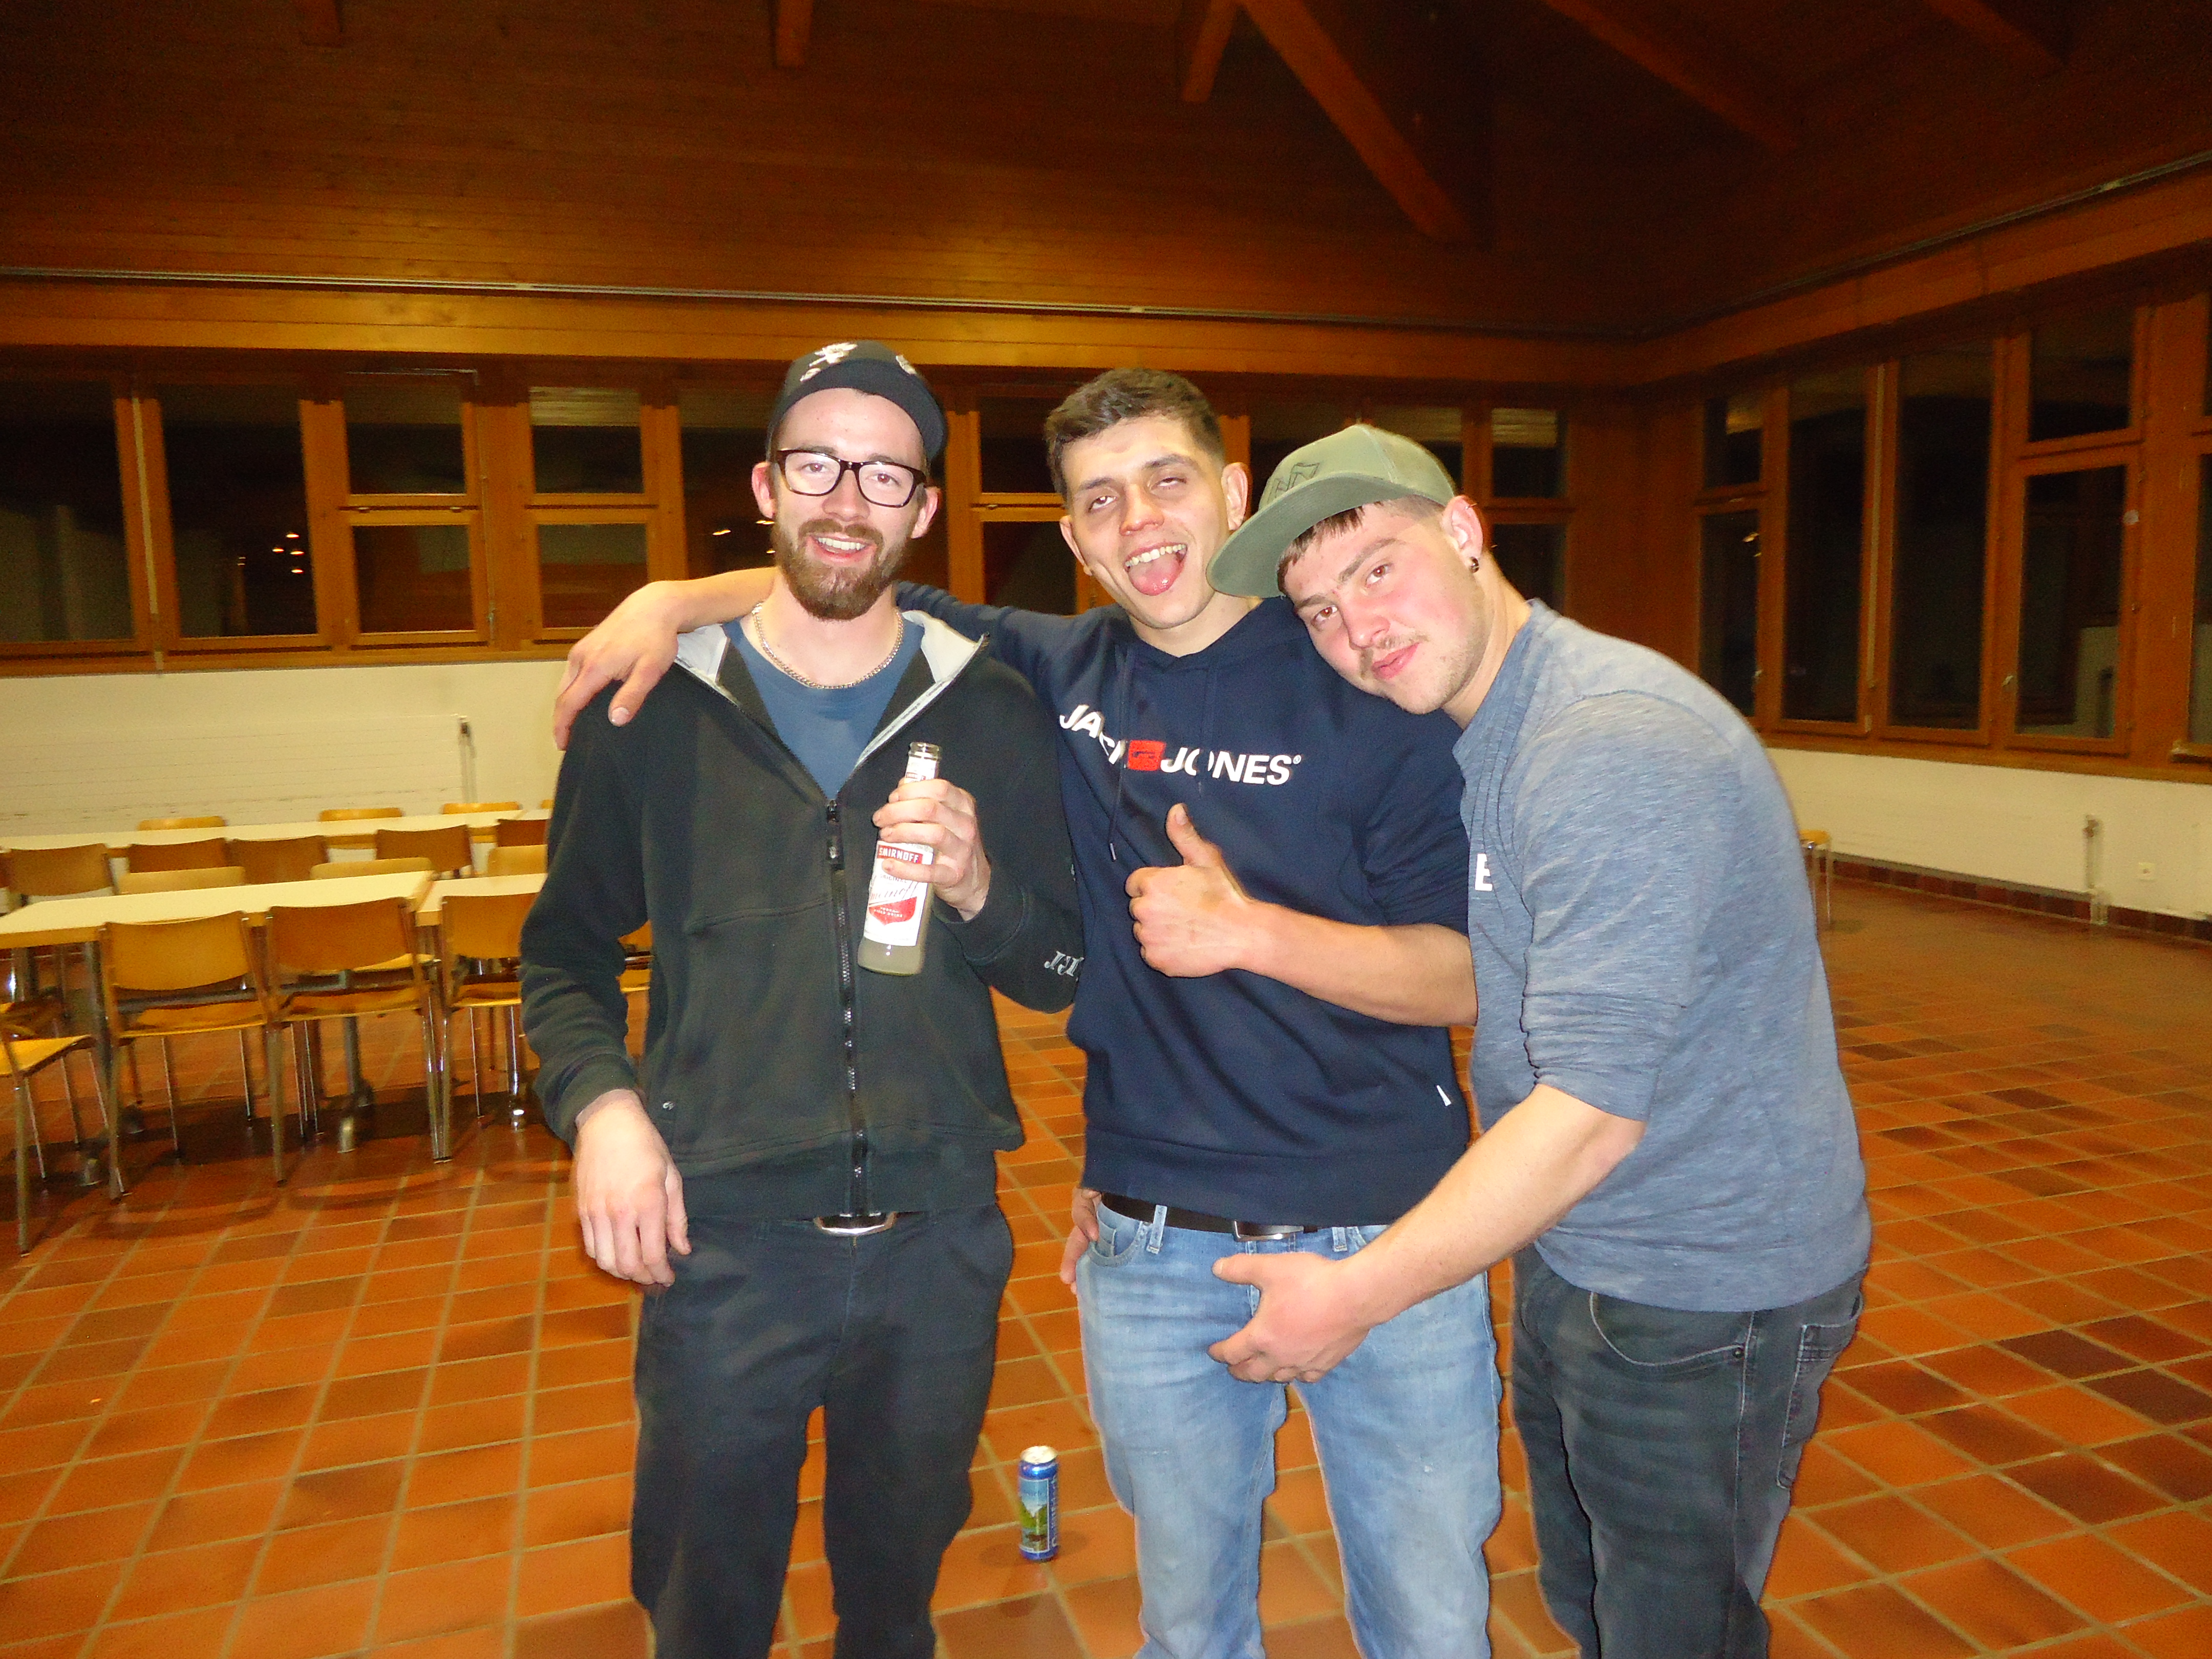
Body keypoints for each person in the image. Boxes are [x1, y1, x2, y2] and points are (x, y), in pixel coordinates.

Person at [554, 370, 1503, 1659]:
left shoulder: (1361, 673)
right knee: (1189, 1630)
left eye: (1168, 481)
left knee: (1432, 1623)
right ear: (1072, 538)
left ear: (1233, 492)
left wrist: (1253, 935)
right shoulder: (1060, 669)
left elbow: (1468, 975)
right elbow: (846, 568)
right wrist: (669, 598)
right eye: (1100, 501)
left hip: (1383, 1220)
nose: (1140, 522)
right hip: (1154, 1238)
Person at [1201, 423, 1873, 1659]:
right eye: (1319, 610)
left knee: (1670, 1634)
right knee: (1594, 1610)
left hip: (1701, 1287)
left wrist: (1352, 1296)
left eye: (1377, 569)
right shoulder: (1498, 728)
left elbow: (1593, 1111)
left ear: (1464, 532)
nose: (1357, 629)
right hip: (1589, 1249)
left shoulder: (1606, 741)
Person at [520, 341, 1083, 1659]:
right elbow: (562, 953)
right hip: (725, 1242)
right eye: (818, 465)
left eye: (884, 474)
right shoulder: (651, 706)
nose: (847, 500)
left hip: (938, 1246)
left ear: (922, 510)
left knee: (895, 1605)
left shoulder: (994, 708)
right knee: (706, 1607)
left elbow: (1059, 972)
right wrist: (603, 1111)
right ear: (766, 487)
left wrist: (983, 888)